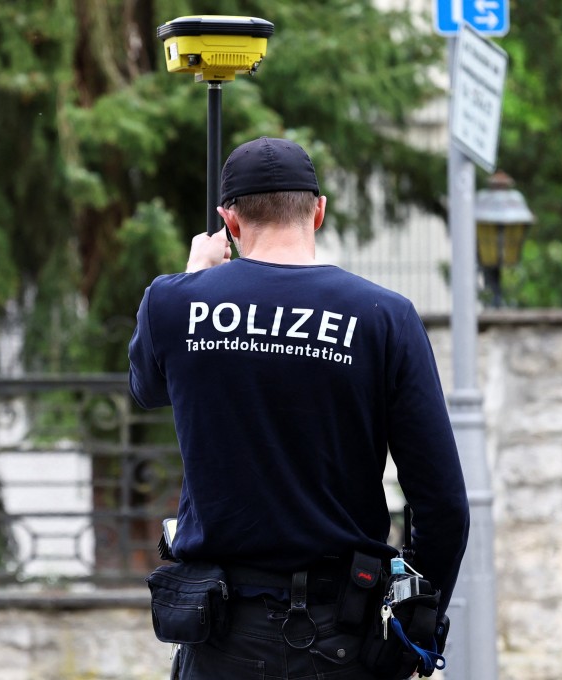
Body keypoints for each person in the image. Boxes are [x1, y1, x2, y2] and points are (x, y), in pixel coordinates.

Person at [128, 137, 470, 678]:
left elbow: (147, 386)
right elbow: (443, 504)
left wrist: (195, 277)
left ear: (230, 223)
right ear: (318, 211)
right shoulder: (384, 317)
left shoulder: (172, 302)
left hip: (220, 637)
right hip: (343, 637)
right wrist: (414, 623)